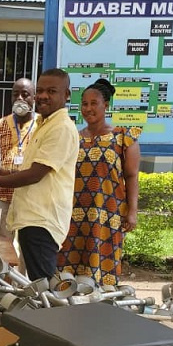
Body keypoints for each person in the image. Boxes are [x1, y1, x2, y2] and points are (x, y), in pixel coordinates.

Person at [0, 69, 79, 282]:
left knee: (43, 286)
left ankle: (49, 316)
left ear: (67, 95)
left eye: (52, 91)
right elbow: (36, 170)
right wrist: (6, 173)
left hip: (42, 219)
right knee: (37, 284)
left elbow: (35, 175)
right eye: (41, 90)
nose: (43, 96)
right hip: (30, 216)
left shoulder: (61, 127)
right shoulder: (46, 124)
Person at [58, 78, 141, 286]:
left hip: (108, 215)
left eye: (94, 103)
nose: (88, 108)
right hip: (73, 215)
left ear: (106, 105)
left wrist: (132, 212)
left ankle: (102, 308)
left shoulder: (123, 137)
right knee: (70, 265)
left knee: (103, 266)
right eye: (84, 104)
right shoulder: (74, 137)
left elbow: (131, 176)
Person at [0, 78, 36, 271]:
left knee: (28, 245)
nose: (20, 98)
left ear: (33, 98)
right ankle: (4, 284)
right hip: (3, 196)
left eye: (25, 94)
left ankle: (23, 285)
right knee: (3, 243)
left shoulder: (41, 128)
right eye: (15, 94)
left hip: (30, 197)